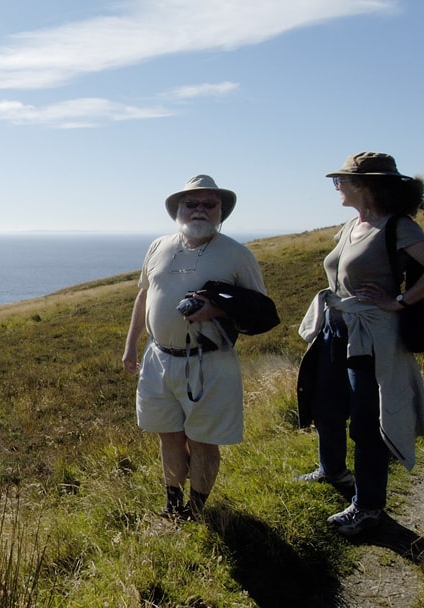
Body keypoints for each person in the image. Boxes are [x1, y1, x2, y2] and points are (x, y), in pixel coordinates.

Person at [296, 151, 424, 536]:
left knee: (367, 422)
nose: (337, 186)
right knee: (327, 405)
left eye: (342, 181)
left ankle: (368, 506)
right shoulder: (351, 225)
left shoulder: (397, 227)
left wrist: (399, 301)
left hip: (371, 335)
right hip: (336, 328)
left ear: (364, 185)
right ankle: (332, 469)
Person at [123, 175, 272, 519]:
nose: (200, 210)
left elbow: (260, 310)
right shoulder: (159, 246)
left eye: (209, 204)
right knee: (169, 436)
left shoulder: (237, 255)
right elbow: (143, 295)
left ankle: (197, 511)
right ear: (178, 209)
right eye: (192, 204)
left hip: (209, 361)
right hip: (158, 358)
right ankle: (173, 507)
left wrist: (216, 309)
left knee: (204, 440)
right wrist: (131, 345)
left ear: (221, 211)